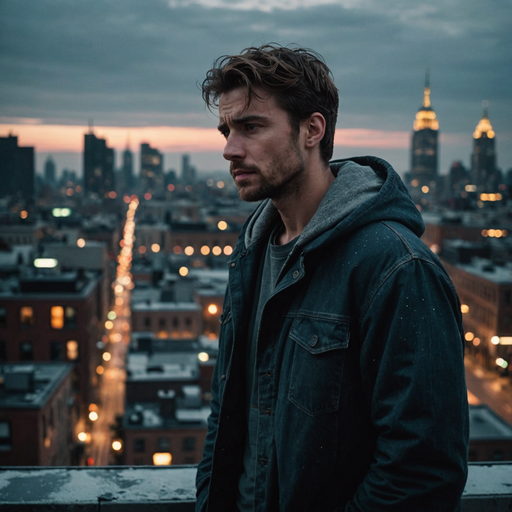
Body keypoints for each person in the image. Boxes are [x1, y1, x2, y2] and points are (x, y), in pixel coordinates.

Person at [195, 44, 469, 512]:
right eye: (226, 130)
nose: (229, 149)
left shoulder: (396, 266)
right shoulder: (252, 253)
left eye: (251, 127)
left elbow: (422, 470)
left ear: (312, 130)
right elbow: (228, 414)